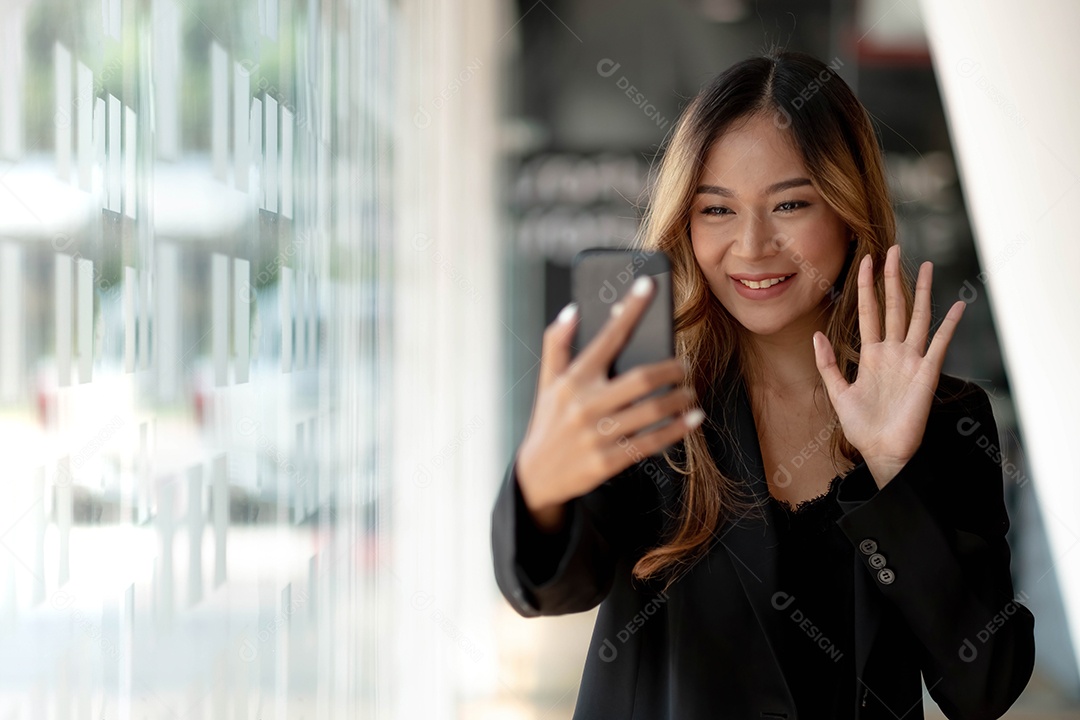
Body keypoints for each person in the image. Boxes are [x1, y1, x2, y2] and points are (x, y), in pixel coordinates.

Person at [490, 50, 1035, 719]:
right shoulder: (650, 404)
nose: (751, 245)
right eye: (717, 210)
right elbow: (553, 590)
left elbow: (983, 688)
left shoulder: (945, 418)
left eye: (790, 204)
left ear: (849, 209)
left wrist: (894, 474)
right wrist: (539, 488)